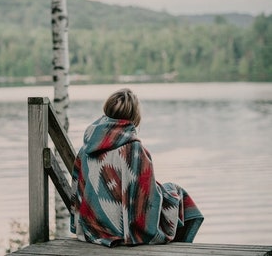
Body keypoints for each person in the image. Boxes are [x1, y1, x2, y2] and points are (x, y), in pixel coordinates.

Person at [70, 88, 204, 247]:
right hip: (124, 230)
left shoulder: (86, 148)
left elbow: (77, 190)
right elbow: (145, 200)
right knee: (179, 196)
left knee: (171, 193)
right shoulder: (134, 151)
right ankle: (181, 250)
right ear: (134, 117)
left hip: (92, 227)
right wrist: (171, 194)